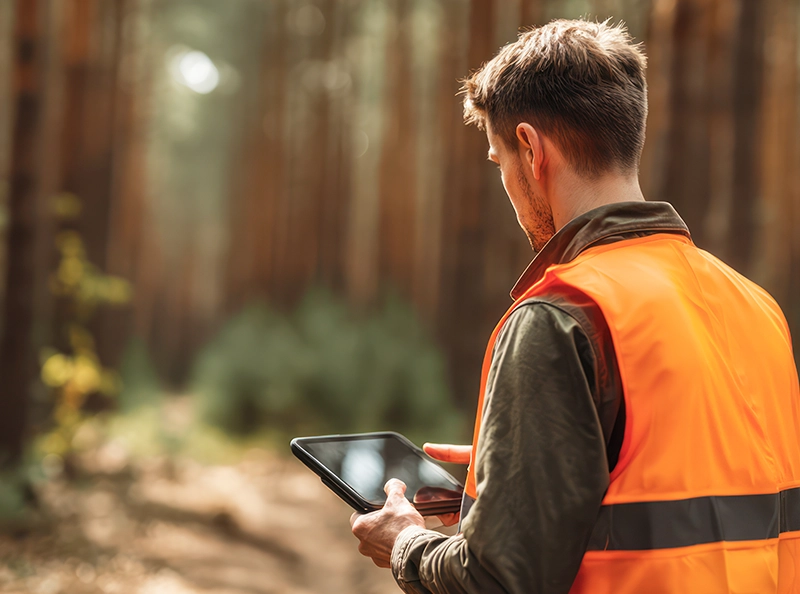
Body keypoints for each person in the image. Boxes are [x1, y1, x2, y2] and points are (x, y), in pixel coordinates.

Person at [350, 18, 800, 594]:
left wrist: (406, 544)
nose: (507, 185)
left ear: (532, 150)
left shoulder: (564, 314)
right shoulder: (757, 306)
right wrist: (526, 476)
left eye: (499, 161)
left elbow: (501, 581)